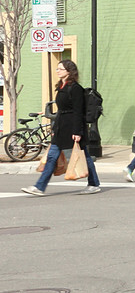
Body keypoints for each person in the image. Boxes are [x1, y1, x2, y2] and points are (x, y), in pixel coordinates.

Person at [23, 59, 101, 196]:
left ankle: (93, 184)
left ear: (69, 71)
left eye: (61, 69)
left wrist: (77, 132)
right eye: (57, 68)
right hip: (61, 127)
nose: (58, 71)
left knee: (83, 156)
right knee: (52, 156)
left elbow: (78, 111)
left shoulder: (75, 88)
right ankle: (39, 187)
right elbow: (61, 111)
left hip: (73, 127)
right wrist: (54, 129)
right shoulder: (61, 87)